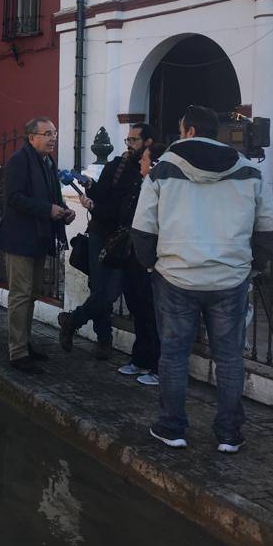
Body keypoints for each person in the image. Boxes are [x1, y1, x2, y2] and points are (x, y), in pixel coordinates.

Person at [131, 105, 273, 454]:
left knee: (173, 356)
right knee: (229, 358)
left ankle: (172, 428)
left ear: (189, 131)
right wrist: (252, 266)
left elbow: (142, 230)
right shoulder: (247, 170)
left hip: (176, 277)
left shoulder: (162, 170)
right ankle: (229, 434)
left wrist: (153, 265)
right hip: (229, 278)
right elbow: (270, 228)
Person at [58, 124, 154, 361]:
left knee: (116, 292)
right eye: (128, 140)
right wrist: (90, 190)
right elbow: (102, 194)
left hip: (130, 239)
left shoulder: (151, 173)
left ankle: (73, 320)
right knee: (102, 288)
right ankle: (103, 340)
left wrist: (97, 205)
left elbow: (129, 211)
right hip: (103, 233)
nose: (130, 144)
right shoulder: (116, 166)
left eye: (134, 140)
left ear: (148, 143)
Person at [0, 116, 74, 375]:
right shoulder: (19, 161)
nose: (52, 138)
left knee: (32, 293)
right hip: (20, 237)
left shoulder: (47, 162)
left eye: (54, 133)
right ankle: (17, 352)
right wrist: (47, 209)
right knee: (20, 294)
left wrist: (63, 211)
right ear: (31, 138)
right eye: (47, 133)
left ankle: (25, 343)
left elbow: (52, 196)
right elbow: (14, 198)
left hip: (40, 236)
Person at [117, 142, 166, 385]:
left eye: (144, 159)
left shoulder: (161, 188)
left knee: (152, 314)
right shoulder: (140, 184)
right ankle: (141, 358)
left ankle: (157, 365)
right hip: (133, 256)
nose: (140, 162)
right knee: (137, 308)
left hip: (151, 259)